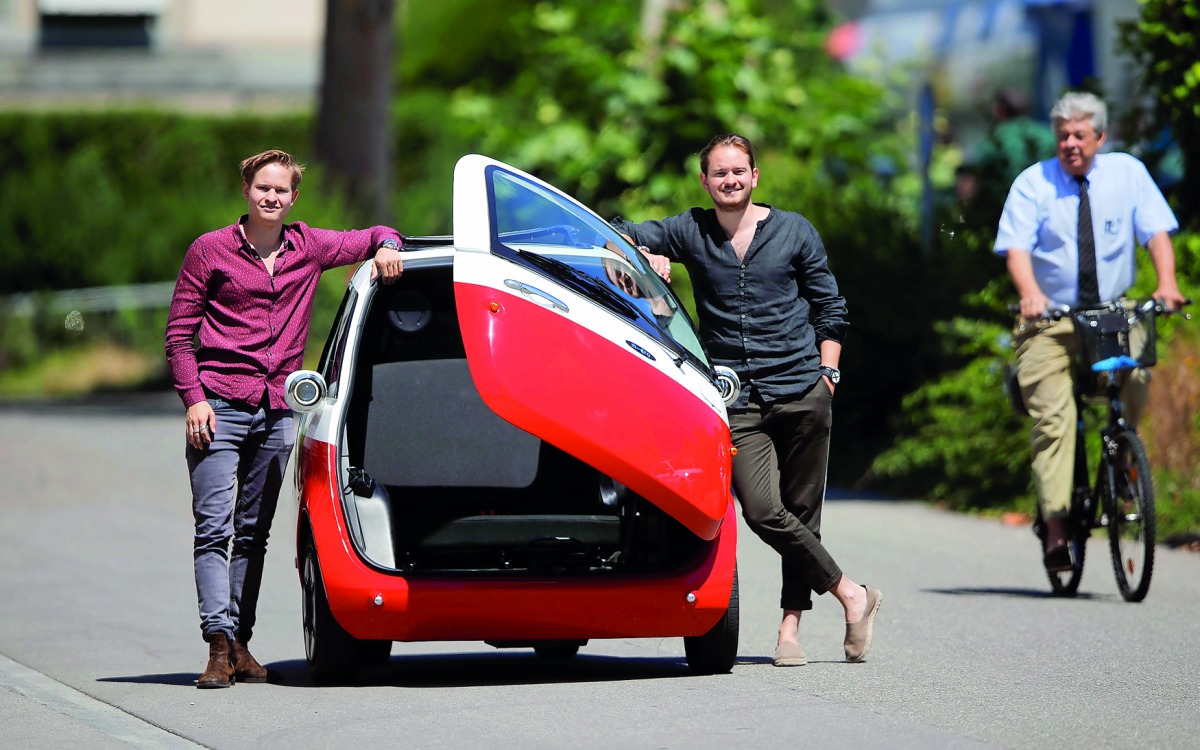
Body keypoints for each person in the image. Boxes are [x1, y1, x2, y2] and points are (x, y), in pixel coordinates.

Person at [613, 133, 882, 666]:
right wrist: (643, 257)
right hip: (737, 400)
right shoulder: (689, 230)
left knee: (802, 513)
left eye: (739, 171)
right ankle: (852, 593)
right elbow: (616, 230)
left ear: (755, 176)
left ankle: (789, 631)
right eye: (720, 173)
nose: (730, 180)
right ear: (704, 181)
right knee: (762, 510)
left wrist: (828, 374)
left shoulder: (794, 230)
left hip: (803, 388)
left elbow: (830, 307)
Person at [165, 149, 406, 688]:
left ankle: (240, 643)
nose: (270, 197)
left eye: (280, 190)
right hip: (218, 405)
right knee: (214, 529)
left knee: (253, 534)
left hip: (277, 411)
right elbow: (179, 336)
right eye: (262, 188)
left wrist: (389, 247)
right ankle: (217, 645)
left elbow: (376, 234)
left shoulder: (309, 246)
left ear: (294, 197)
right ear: (246, 190)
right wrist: (194, 399)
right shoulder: (210, 250)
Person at [994, 92, 1185, 571]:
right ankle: (1058, 529)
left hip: (1110, 310)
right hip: (1050, 317)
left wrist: (1167, 283)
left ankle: (1124, 456)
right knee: (1054, 420)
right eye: (1063, 136)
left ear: (1101, 137)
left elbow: (1156, 232)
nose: (1070, 144)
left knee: (1137, 372)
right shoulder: (1033, 183)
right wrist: (1030, 294)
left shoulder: (1127, 173)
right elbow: (1017, 249)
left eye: (1080, 135)